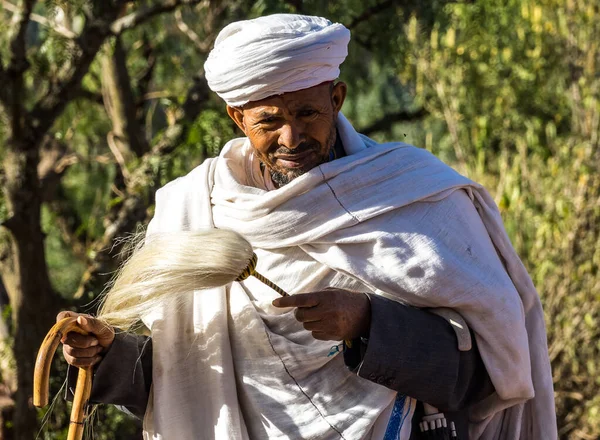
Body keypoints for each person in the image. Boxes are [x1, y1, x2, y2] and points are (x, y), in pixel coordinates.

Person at [58, 14, 556, 440]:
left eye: (307, 113)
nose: (291, 136)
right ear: (237, 118)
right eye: (268, 121)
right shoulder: (194, 208)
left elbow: (485, 375)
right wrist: (108, 358)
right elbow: (184, 379)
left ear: (337, 99)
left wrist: (368, 324)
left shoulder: (414, 195)